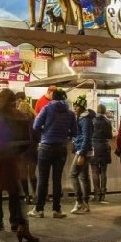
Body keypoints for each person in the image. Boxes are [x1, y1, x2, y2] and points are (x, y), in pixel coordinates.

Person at [0, 89, 38, 242]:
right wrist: (17, 153)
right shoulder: (20, 116)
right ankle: (16, 223)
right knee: (15, 193)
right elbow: (28, 140)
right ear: (14, 101)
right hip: (11, 160)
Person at [29, 89, 78, 219]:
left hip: (45, 147)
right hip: (61, 148)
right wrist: (64, 134)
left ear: (53, 98)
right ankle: (57, 210)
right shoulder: (70, 113)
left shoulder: (46, 108)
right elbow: (74, 132)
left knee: (43, 179)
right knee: (57, 180)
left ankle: (39, 210)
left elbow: (36, 126)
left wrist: (45, 131)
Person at [70, 95, 94, 214]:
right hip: (85, 150)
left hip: (83, 151)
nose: (74, 108)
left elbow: (87, 137)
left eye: (76, 106)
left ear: (82, 107)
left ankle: (79, 202)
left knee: (73, 174)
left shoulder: (85, 119)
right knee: (84, 177)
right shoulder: (82, 118)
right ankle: (85, 203)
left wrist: (82, 154)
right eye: (74, 106)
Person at [15, 92, 38, 204]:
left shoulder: (18, 121)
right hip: (33, 148)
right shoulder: (35, 119)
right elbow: (38, 135)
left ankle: (27, 196)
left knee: (23, 174)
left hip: (22, 149)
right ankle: (35, 195)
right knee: (32, 173)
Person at [90, 104, 113, 202]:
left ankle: (96, 193)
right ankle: (103, 193)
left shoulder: (92, 121)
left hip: (94, 147)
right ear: (104, 111)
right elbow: (110, 136)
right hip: (104, 147)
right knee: (103, 171)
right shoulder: (107, 121)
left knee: (94, 171)